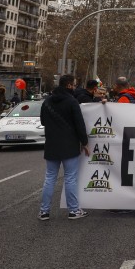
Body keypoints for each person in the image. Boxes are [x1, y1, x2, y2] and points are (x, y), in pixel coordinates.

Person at [38, 74, 89, 221]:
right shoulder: (72, 101)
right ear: (68, 85)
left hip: (52, 144)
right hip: (69, 145)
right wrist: (84, 142)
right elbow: (80, 124)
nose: (75, 86)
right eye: (74, 84)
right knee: (70, 178)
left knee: (49, 178)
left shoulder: (47, 101)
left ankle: (44, 211)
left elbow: (43, 121)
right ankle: (73, 211)